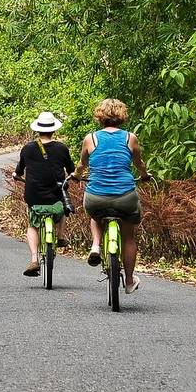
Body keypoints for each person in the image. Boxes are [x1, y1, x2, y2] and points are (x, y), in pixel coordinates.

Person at [75, 98, 150, 293]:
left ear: (99, 116)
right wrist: (144, 176)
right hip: (125, 196)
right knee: (129, 237)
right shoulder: (130, 138)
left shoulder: (90, 138)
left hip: (96, 196)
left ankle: (95, 245)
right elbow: (139, 164)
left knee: (95, 215)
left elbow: (82, 165)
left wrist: (76, 176)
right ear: (122, 116)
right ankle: (130, 280)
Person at [12, 111, 74, 277]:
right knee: (62, 206)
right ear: (54, 130)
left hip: (34, 195)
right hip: (55, 193)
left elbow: (18, 171)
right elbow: (71, 171)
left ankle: (34, 259)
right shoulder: (62, 148)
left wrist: (16, 176)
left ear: (37, 130)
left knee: (32, 225)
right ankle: (60, 236)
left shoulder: (28, 148)